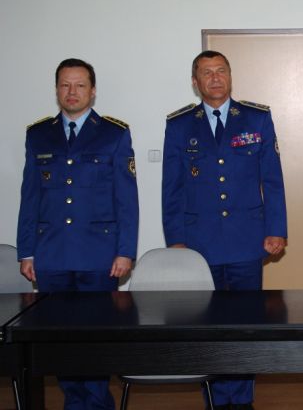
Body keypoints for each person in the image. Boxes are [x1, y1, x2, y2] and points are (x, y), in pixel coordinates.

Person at [162, 50, 287, 410]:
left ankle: (242, 398)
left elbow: (272, 180)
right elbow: (171, 188)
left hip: (247, 239)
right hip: (198, 243)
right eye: (206, 72)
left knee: (247, 324)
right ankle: (215, 398)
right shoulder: (179, 124)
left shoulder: (256, 118)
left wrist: (276, 229)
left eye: (221, 71)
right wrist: (176, 240)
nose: (215, 78)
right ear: (195, 82)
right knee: (207, 326)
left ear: (230, 77)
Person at [17, 58, 139, 409]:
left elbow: (126, 199)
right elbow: (30, 196)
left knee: (96, 338)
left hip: (99, 256)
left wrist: (125, 251)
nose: (72, 92)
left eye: (80, 85)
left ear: (93, 90)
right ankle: (74, 401)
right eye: (65, 85)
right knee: (60, 340)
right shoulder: (38, 134)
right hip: (51, 254)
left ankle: (97, 402)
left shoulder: (114, 133)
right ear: (57, 90)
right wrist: (26, 251)